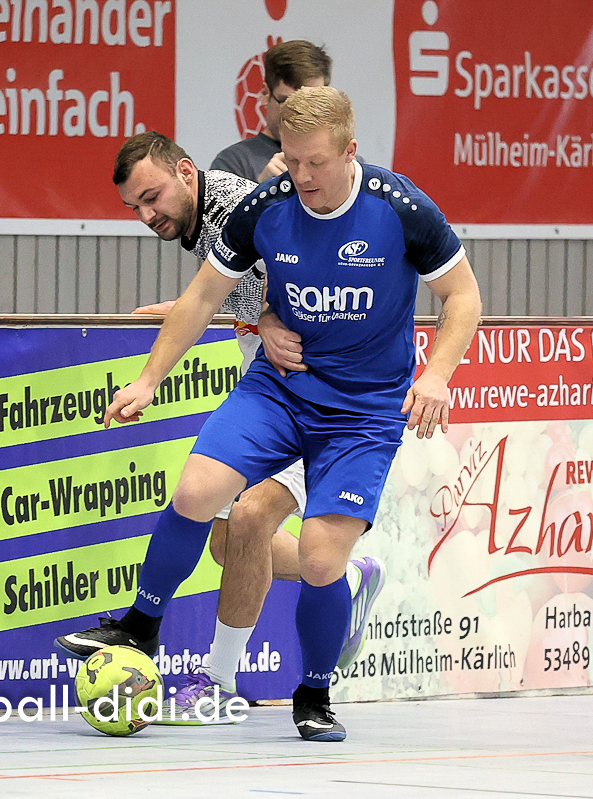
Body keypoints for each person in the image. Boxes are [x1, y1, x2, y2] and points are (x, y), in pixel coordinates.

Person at [61, 86, 481, 741]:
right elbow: (202, 298)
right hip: (279, 389)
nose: (301, 176)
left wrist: (437, 374)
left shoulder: (400, 208)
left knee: (318, 559)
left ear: (350, 151)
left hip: (362, 410)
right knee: (197, 492)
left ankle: (313, 693)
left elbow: (463, 296)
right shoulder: (265, 207)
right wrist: (148, 379)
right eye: (291, 159)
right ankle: (140, 625)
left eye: (316, 162)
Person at [52, 131, 385, 722]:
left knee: (251, 520)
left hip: (323, 394)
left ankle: (219, 682)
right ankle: (348, 578)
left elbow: (303, 270)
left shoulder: (233, 206)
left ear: (186, 172)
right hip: (269, 383)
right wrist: (210, 308)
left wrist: (260, 316)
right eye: (134, 207)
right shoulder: (203, 220)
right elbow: (232, 287)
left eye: (153, 197)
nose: (147, 215)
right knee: (225, 541)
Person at [211, 39, 332, 183]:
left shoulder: (342, 159)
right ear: (265, 94)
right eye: (289, 102)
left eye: (312, 102)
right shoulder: (233, 163)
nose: (301, 114)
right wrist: (262, 189)